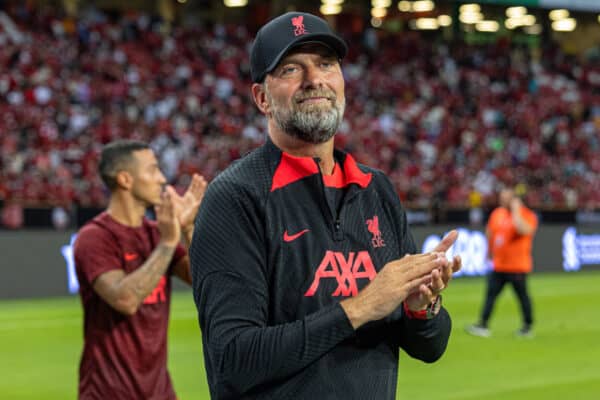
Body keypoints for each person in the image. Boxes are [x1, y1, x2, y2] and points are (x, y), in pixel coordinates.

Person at [189, 12, 462, 400]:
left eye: (326, 64)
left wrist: (422, 308)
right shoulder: (236, 197)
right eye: (291, 69)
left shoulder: (376, 189)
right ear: (262, 98)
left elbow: (429, 347)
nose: (314, 79)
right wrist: (362, 306)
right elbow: (232, 358)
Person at [73, 140, 207, 399]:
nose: (161, 179)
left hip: (159, 391)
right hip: (108, 392)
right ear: (125, 179)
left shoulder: (154, 233)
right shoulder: (95, 238)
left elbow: (201, 279)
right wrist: (168, 242)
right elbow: (125, 299)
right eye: (153, 170)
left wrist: (189, 228)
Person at [466, 187, 538, 338]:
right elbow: (490, 233)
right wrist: (489, 253)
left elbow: (524, 230)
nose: (502, 200)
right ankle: (483, 324)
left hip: (517, 266)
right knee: (490, 294)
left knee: (522, 296)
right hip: (499, 265)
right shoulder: (498, 213)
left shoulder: (527, 215)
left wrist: (517, 211)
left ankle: (527, 326)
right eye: (501, 197)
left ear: (514, 199)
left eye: (505, 197)